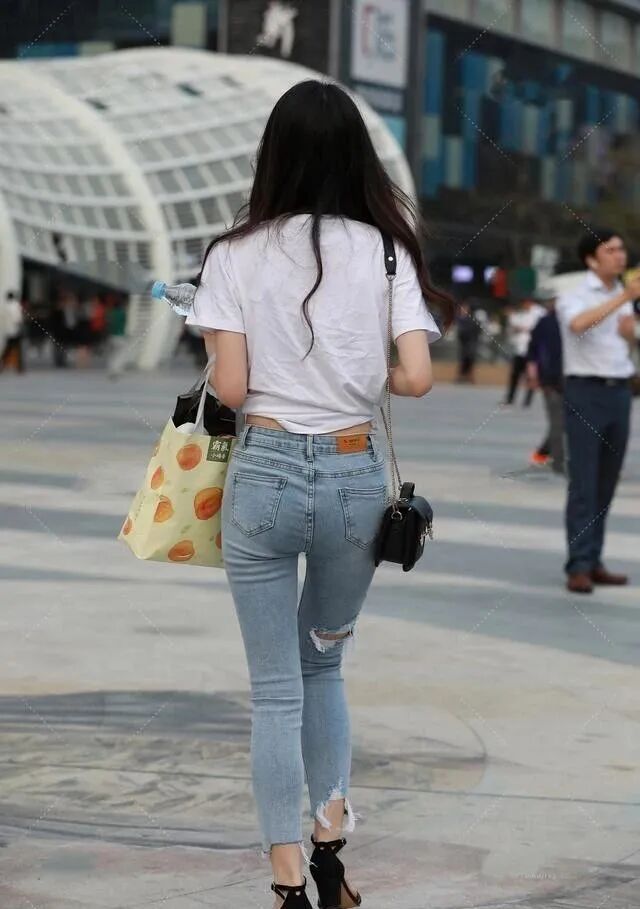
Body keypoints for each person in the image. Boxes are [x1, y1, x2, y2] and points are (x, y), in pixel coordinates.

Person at [184, 80, 451, 909]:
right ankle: (331, 848)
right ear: (356, 158)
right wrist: (357, 371)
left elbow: (232, 387)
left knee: (274, 691)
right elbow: (417, 378)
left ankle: (287, 882)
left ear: (275, 156)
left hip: (263, 475)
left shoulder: (232, 255)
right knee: (324, 666)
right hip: (350, 481)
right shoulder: (385, 252)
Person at [556, 229, 639, 594]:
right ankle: (578, 565)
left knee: (607, 481)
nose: (620, 255)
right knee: (584, 482)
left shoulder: (623, 297)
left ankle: (594, 559)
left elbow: (626, 341)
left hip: (620, 392)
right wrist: (624, 297)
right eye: (611, 250)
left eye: (622, 249)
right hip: (585, 392)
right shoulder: (574, 295)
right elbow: (577, 325)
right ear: (591, 259)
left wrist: (630, 334)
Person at [526, 288, 564, 472]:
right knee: (558, 422)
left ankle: (544, 453)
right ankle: (558, 461)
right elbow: (533, 351)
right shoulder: (545, 322)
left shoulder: (572, 321)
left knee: (565, 422)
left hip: (573, 380)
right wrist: (533, 375)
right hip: (551, 380)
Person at [503, 296, 545, 406]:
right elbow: (513, 326)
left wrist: (523, 328)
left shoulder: (539, 312)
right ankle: (510, 398)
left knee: (530, 376)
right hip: (520, 349)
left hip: (532, 350)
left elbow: (537, 329)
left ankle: (527, 400)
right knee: (515, 375)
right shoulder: (521, 313)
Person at [106, 296, 131, 379]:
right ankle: (117, 369)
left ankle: (111, 369)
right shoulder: (122, 313)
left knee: (112, 354)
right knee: (121, 353)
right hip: (120, 336)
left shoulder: (111, 313)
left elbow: (108, 323)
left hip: (111, 335)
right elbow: (125, 323)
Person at [456, 301, 481, 382]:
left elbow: (475, 331)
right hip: (466, 343)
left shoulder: (469, 319)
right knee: (465, 359)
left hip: (470, 342)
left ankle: (468, 376)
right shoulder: (463, 319)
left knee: (469, 359)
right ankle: (463, 376)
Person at [0, 291, 25, 373]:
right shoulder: (15, 305)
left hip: (8, 330)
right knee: (18, 349)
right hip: (15, 330)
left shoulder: (5, 306)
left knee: (8, 348)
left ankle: (2, 363)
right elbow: (17, 318)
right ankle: (20, 367)